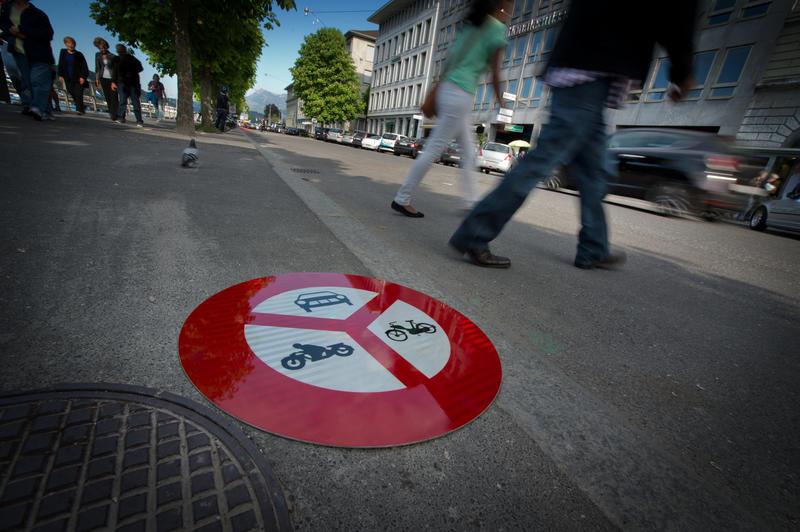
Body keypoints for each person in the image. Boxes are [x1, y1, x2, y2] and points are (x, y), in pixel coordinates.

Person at [449, 0, 697, 269]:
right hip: (591, 68)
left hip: (589, 65)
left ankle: (594, 247)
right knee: (542, 161)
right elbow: (676, 11)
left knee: (593, 171)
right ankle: (475, 233)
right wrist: (682, 69)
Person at [391, 0, 511, 218]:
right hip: (461, 93)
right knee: (434, 149)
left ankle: (471, 202)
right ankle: (402, 197)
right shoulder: (497, 30)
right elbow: (495, 72)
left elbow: (450, 60)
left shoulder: (472, 25)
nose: (511, 8)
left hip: (448, 89)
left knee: (467, 149)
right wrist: (501, 103)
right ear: (500, 4)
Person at [0, 0, 55, 121]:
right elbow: (4, 24)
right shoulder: (6, 9)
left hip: (38, 52)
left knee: (37, 81)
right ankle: (40, 108)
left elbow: (48, 33)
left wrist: (22, 31)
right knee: (25, 80)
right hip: (17, 50)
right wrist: (9, 32)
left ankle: (37, 108)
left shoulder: (37, 13)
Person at [111, 43, 143, 126]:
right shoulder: (132, 59)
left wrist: (113, 81)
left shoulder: (117, 59)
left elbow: (114, 72)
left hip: (125, 82)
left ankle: (122, 118)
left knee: (123, 101)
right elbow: (140, 68)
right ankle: (138, 120)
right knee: (134, 102)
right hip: (131, 82)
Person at [57, 36, 88, 114]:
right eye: (68, 43)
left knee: (78, 93)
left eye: (72, 44)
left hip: (78, 77)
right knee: (71, 91)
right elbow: (60, 63)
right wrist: (60, 74)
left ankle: (80, 110)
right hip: (68, 77)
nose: (71, 45)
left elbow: (84, 66)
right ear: (65, 44)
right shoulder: (63, 52)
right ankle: (81, 106)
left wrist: (83, 77)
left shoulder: (79, 54)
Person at [93, 37, 117, 121]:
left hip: (112, 79)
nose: (102, 49)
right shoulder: (97, 55)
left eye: (103, 47)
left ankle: (115, 114)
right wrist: (97, 79)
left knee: (114, 96)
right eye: (100, 47)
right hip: (103, 78)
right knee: (107, 96)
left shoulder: (113, 56)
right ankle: (111, 113)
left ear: (106, 46)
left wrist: (114, 81)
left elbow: (115, 70)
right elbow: (97, 67)